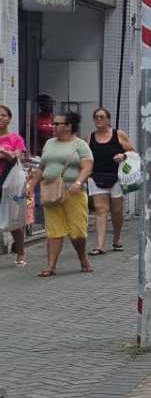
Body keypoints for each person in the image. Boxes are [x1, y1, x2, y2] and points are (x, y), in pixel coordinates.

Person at [31, 111, 94, 276]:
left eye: (58, 124)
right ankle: (50, 266)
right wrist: (30, 187)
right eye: (54, 123)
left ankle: (82, 258)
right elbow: (41, 168)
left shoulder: (80, 145)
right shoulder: (49, 143)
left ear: (69, 126)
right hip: (51, 191)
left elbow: (87, 167)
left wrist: (79, 182)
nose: (54, 127)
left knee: (77, 231)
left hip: (73, 192)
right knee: (54, 230)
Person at [86, 108, 135, 254]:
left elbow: (133, 151)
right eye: (96, 117)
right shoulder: (89, 137)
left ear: (108, 119)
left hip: (116, 177)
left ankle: (117, 237)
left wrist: (123, 155)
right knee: (101, 210)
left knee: (117, 210)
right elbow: (85, 157)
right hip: (96, 176)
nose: (98, 120)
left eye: (102, 117)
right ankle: (100, 245)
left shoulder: (118, 135)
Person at [0, 105, 28, 266]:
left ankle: (21, 251)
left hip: (10, 182)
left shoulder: (15, 138)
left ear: (9, 118)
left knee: (13, 219)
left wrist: (7, 154)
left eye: (3, 115)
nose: (0, 118)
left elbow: (16, 156)